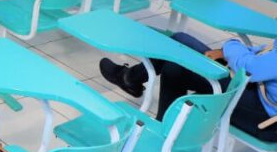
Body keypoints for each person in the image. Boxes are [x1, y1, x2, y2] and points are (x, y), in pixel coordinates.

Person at [99, 33, 277, 144]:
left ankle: (131, 80)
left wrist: (230, 46)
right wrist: (230, 52)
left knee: (178, 55)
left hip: (263, 118)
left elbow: (253, 69)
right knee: (178, 53)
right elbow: (266, 54)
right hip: (259, 97)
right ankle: (165, 133)